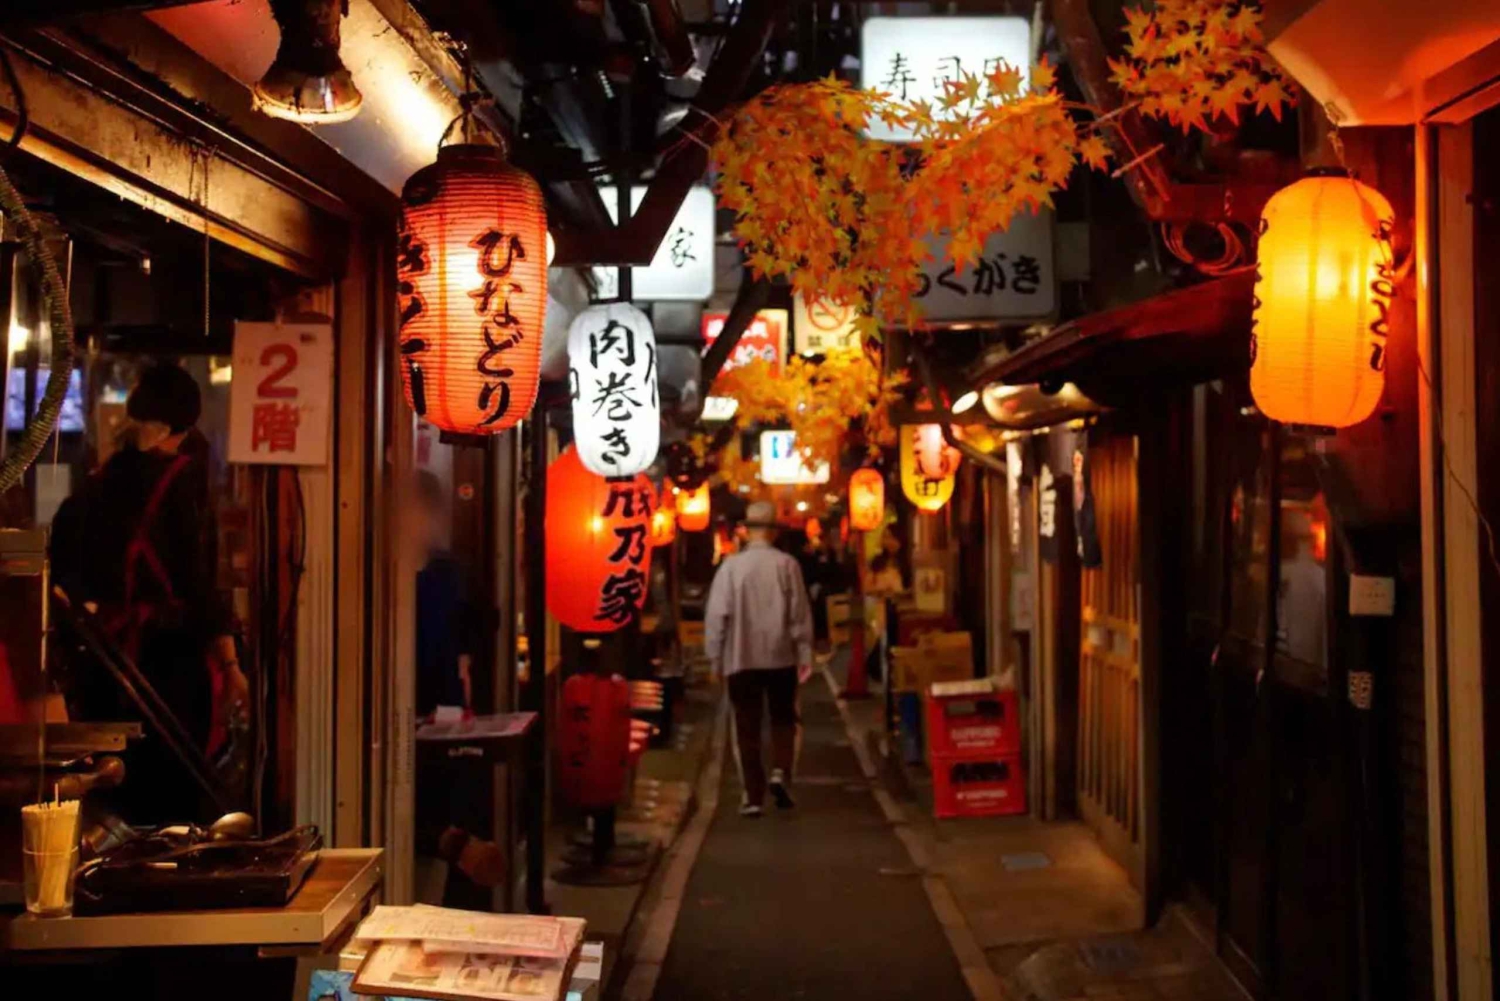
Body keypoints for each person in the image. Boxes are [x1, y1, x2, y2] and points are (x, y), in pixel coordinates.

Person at [50, 362, 245, 825]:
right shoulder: (183, 484)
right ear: (182, 426)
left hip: (104, 673)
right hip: (170, 671)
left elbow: (63, 583)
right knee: (176, 809)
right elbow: (202, 586)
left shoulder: (90, 489)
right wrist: (231, 665)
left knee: (116, 805)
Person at [705, 500, 814, 817]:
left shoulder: (731, 567)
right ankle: (781, 770)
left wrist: (715, 657)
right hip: (780, 656)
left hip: (741, 658)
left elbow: (717, 616)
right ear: (774, 533)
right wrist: (804, 652)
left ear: (747, 532)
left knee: (746, 726)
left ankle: (753, 796)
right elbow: (799, 615)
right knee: (783, 720)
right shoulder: (787, 565)